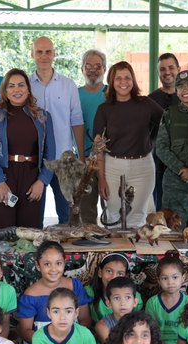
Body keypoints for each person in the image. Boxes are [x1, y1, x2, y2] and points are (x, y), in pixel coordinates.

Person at [0, 68, 56, 231]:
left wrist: (42, 181)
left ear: (28, 89)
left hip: (33, 177)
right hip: (3, 176)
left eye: (21, 85)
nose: (17, 90)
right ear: (5, 91)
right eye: (11, 86)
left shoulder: (43, 117)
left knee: (31, 229)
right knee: (3, 230)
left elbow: (51, 153)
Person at [94, 62, 164, 228]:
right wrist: (101, 178)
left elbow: (166, 123)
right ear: (111, 82)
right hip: (113, 167)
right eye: (118, 78)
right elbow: (99, 147)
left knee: (137, 217)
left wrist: (150, 140)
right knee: (113, 215)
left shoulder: (146, 104)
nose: (123, 82)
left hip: (143, 167)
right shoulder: (104, 109)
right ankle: (114, 253)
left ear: (133, 80)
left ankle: (133, 253)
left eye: (127, 77)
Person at [29, 36, 85, 224]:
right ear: (32, 54)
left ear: (54, 54)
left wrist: (82, 158)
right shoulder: (25, 86)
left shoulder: (68, 85)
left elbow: (77, 122)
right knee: (34, 214)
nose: (44, 56)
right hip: (35, 161)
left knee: (67, 215)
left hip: (64, 161)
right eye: (39, 52)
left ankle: (67, 252)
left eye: (48, 52)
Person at [17, 241, 91, 344]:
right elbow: (25, 330)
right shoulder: (30, 296)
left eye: (58, 263)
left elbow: (85, 319)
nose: (54, 269)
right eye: (47, 264)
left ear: (64, 263)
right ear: (38, 266)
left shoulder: (75, 286)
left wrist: (74, 338)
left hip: (74, 340)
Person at [156, 70, 188, 227]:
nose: (185, 90)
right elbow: (161, 147)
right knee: (173, 228)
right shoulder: (169, 114)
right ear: (176, 92)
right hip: (175, 180)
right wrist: (181, 169)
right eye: (180, 87)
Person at [77, 49, 108, 224]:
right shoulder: (75, 94)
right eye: (88, 66)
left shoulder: (112, 94)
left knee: (111, 210)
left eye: (97, 66)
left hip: (109, 161)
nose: (93, 70)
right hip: (83, 160)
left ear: (104, 69)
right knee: (85, 212)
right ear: (82, 69)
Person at [148, 53, 182, 209]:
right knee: (161, 210)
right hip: (158, 164)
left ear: (179, 69)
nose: (167, 72)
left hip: (186, 165)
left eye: (171, 68)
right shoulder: (150, 100)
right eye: (162, 69)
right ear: (158, 73)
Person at [144, 255, 188, 344]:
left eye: (175, 277)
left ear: (183, 277)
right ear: (158, 280)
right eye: (164, 278)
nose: (170, 282)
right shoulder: (152, 303)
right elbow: (150, 331)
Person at [85, 253, 143, 326]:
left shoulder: (134, 297)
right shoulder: (88, 292)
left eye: (120, 273)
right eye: (109, 271)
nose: (113, 277)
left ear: (126, 276)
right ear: (100, 272)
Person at [95, 276, 139, 344]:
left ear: (135, 302)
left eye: (127, 297)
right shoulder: (103, 326)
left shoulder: (142, 323)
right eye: (117, 298)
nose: (123, 303)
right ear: (109, 303)